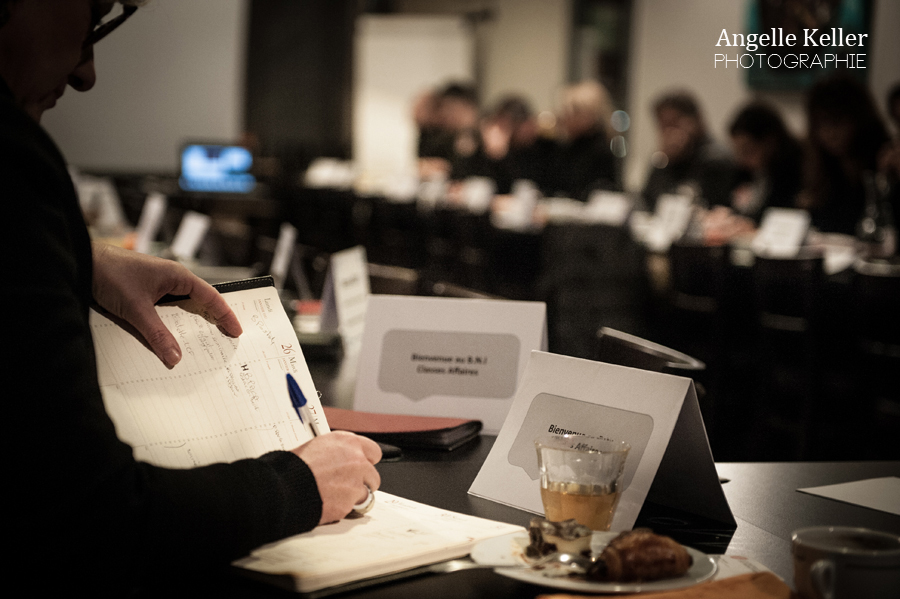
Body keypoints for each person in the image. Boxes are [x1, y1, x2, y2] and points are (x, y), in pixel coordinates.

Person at [1, 1, 381, 594]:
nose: (87, 71)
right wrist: (297, 485)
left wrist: (78, 258)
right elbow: (91, 521)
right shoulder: (8, 161)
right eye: (89, 19)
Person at [799, 74, 891, 236]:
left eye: (837, 122)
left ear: (858, 119)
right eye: (821, 124)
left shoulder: (883, 160)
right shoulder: (822, 165)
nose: (829, 133)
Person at [642, 91, 739, 211]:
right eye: (663, 125)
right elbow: (648, 202)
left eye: (674, 123)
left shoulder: (716, 158)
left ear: (696, 120)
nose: (669, 132)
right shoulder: (666, 158)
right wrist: (665, 160)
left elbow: (710, 207)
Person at [450, 94, 555, 194]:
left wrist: (500, 156)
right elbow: (462, 180)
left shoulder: (542, 148)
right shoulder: (479, 148)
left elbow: (518, 187)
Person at [727, 101, 804, 222]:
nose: (740, 160)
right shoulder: (744, 173)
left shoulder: (795, 172)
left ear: (770, 143)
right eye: (737, 152)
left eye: (747, 151)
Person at [549, 80, 619, 201]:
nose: (565, 116)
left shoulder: (601, 151)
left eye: (573, 112)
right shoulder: (566, 145)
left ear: (591, 115)